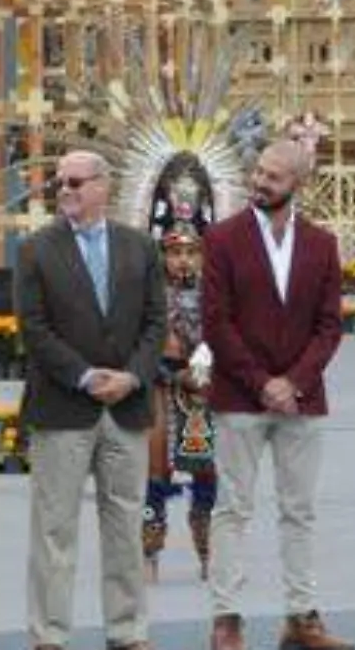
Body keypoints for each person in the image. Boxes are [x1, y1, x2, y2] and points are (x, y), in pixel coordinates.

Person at [14, 150, 166, 650]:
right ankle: (50, 636)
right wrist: (82, 376)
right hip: (63, 407)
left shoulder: (141, 247)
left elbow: (154, 323)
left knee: (125, 524)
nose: (66, 190)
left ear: (104, 186)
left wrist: (132, 377)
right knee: (54, 529)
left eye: (76, 182)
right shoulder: (37, 249)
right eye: (59, 182)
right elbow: (33, 328)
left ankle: (127, 632)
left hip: (126, 407)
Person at [203, 142, 352, 650]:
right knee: (232, 510)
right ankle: (226, 619)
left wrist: (295, 382)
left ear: (298, 184)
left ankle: (301, 618)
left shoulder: (322, 244)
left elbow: (330, 326)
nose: (260, 182)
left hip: (302, 402)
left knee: (299, 510)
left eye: (273, 176)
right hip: (240, 399)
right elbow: (216, 323)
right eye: (259, 172)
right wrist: (263, 382)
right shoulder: (221, 239)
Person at [144, 221, 218, 582]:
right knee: (155, 467)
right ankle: (149, 551)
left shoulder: (212, 295)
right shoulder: (150, 294)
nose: (183, 260)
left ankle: (206, 548)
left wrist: (199, 374)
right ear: (163, 256)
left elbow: (219, 339)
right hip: (158, 385)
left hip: (197, 389)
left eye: (191, 252)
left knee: (203, 465)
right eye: (175, 252)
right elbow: (140, 341)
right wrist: (171, 371)